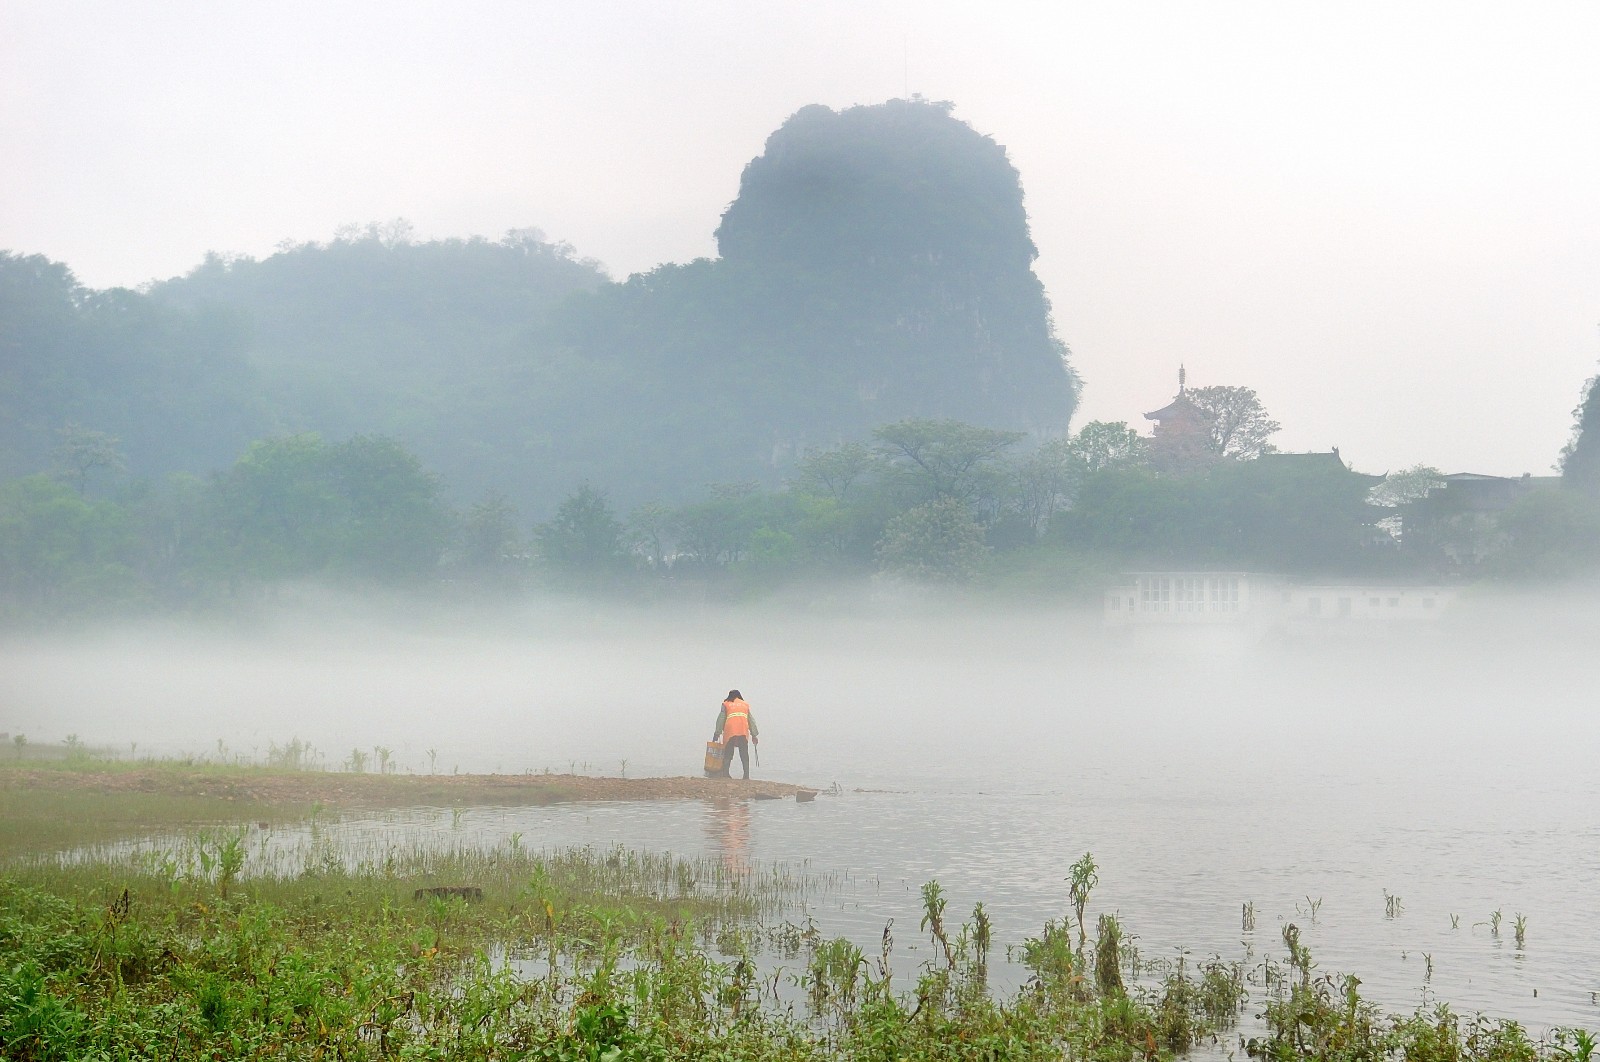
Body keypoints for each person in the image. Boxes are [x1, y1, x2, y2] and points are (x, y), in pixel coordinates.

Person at [712, 689, 759, 779]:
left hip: (730, 730)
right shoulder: (745, 704)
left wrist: (717, 733)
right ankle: (746, 776)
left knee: (728, 752)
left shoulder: (726, 704)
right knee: (744, 753)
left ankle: (726, 774)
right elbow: (751, 720)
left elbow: (721, 718)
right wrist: (754, 735)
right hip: (743, 730)